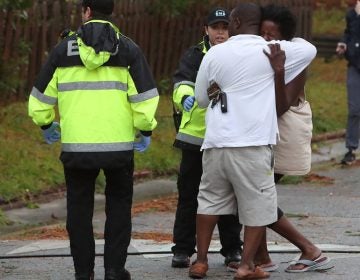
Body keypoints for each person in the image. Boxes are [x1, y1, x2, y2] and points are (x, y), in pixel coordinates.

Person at [28, 0, 159, 279]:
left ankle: (83, 273)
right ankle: (113, 270)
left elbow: (38, 102)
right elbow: (146, 100)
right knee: (119, 209)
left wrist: (46, 124)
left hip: (77, 150)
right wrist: (145, 130)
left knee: (78, 211)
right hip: (119, 149)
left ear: (86, 12)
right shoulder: (128, 49)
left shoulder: (63, 50)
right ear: (110, 12)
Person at [189, 3, 317, 279]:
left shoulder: (215, 53)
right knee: (257, 205)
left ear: (234, 22)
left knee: (209, 202)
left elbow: (200, 99)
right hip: (252, 144)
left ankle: (200, 262)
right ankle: (247, 266)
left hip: (216, 142)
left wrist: (220, 89)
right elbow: (309, 49)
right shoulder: (271, 51)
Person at [171, 7, 243, 269]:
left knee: (229, 195)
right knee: (189, 195)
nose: (220, 33)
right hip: (197, 136)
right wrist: (184, 98)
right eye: (216, 28)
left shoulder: (238, 54)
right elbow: (180, 83)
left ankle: (233, 249)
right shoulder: (194, 55)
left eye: (224, 28)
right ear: (206, 30)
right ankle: (182, 250)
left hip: (227, 135)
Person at [336, 0, 360, 165]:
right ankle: (351, 149)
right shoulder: (351, 14)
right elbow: (349, 33)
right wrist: (343, 43)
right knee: (355, 109)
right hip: (354, 65)